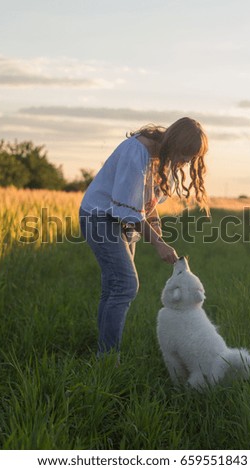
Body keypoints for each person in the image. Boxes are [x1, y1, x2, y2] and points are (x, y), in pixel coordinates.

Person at [79, 117, 209, 357]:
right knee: (126, 285)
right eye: (184, 155)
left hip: (122, 220)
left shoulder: (164, 159)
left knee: (113, 286)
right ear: (174, 142)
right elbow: (127, 207)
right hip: (100, 217)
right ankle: (108, 359)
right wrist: (158, 243)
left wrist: (155, 220)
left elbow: (144, 199)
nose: (185, 162)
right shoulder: (136, 152)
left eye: (190, 158)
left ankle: (104, 354)